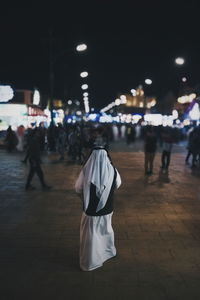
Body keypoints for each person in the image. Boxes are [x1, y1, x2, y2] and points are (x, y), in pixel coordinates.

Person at [75, 147, 121, 271]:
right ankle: (107, 252)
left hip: (90, 211)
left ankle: (91, 261)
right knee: (106, 230)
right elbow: (118, 184)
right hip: (107, 209)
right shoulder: (113, 170)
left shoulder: (85, 171)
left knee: (91, 236)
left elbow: (77, 188)